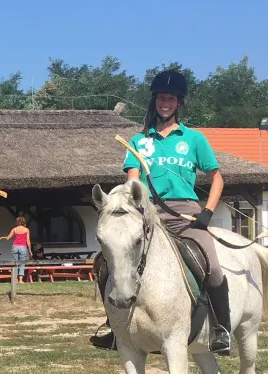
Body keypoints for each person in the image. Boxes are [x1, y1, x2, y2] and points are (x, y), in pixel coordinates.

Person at [90, 69, 231, 356]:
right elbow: (133, 181)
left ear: (179, 103)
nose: (164, 103)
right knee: (105, 261)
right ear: (154, 101)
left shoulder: (193, 139)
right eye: (160, 98)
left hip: (185, 213)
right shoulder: (139, 141)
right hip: (146, 213)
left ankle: (220, 329)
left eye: (171, 99)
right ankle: (112, 326)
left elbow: (217, 177)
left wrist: (207, 211)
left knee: (212, 267)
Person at [0, 216, 31, 283]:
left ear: (17, 222)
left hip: (15, 247)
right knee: (22, 263)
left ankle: (15, 279)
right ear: (23, 222)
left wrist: (2, 237)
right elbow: (28, 240)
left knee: (15, 263)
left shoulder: (14, 229)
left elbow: (8, 238)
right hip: (23, 247)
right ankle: (20, 280)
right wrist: (30, 250)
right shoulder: (26, 230)